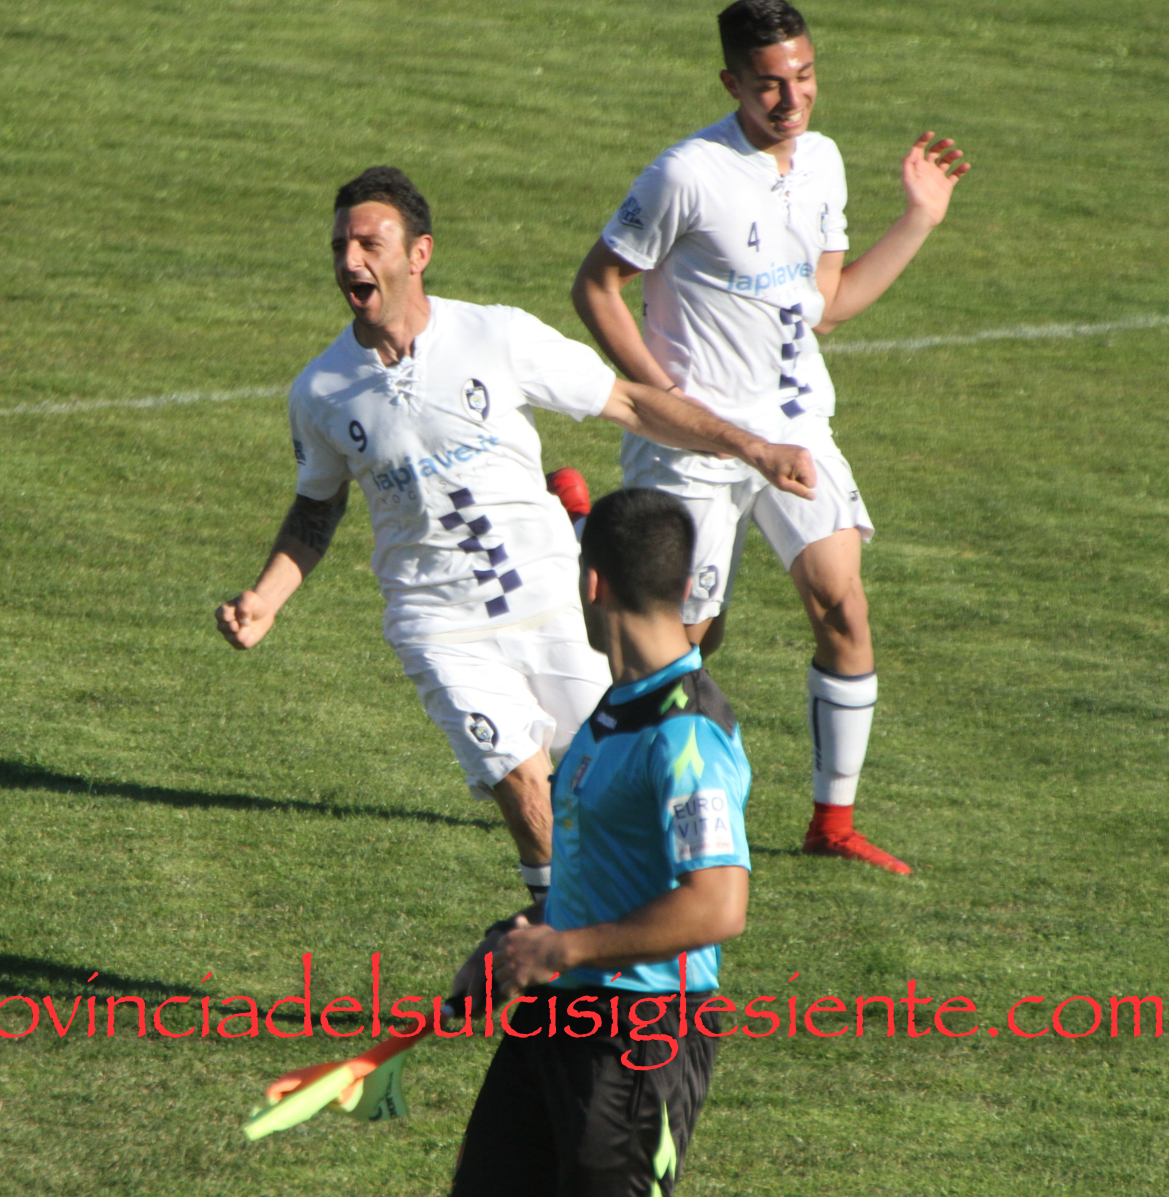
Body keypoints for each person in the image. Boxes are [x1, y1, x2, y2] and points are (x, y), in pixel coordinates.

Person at [215, 166, 809, 902]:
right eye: (340, 245)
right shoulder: (320, 391)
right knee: (525, 786)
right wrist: (266, 598)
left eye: (369, 243)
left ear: (419, 253)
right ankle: (566, 942)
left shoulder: (496, 335)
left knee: (615, 776)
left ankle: (630, 930)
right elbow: (316, 507)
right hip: (437, 622)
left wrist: (751, 446)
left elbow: (628, 402)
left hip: (553, 600)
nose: (350, 260)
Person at [570, 0, 970, 874]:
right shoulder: (687, 174)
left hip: (795, 427)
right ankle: (613, 794)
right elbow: (595, 286)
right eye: (768, 84)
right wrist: (662, 394)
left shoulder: (823, 162)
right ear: (731, 83)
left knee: (843, 605)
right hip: (695, 445)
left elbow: (826, 307)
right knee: (681, 643)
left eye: (804, 76)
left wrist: (919, 220)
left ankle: (833, 823)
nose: (791, 98)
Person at [449, 487, 751, 1196]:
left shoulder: (687, 735)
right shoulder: (616, 709)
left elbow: (717, 906)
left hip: (640, 1038)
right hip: (556, 1017)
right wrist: (517, 937)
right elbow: (608, 874)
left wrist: (560, 949)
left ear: (592, 583)